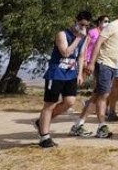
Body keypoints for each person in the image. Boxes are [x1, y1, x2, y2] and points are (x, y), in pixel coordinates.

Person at [71, 4, 118, 139]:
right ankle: (101, 127)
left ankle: (78, 124)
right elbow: (98, 42)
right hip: (104, 63)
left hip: (113, 65)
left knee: (96, 96)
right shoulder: (113, 25)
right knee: (104, 95)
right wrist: (91, 63)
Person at [35, 10, 91, 148]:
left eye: (86, 26)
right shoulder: (62, 34)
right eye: (81, 24)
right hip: (56, 73)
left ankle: (41, 122)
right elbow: (65, 52)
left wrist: (79, 74)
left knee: (70, 102)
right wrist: (78, 38)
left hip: (71, 74)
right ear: (75, 21)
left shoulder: (85, 37)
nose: (83, 28)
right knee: (50, 104)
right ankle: (44, 137)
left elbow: (81, 56)